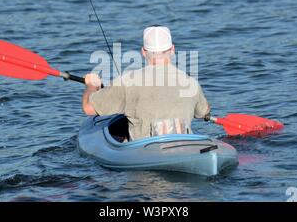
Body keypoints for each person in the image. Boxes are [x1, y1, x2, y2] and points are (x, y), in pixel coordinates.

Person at [82, 25, 210, 141]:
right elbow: (203, 112)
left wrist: (92, 85)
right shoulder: (191, 83)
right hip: (185, 147)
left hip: (143, 150)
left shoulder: (126, 82)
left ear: (143, 52)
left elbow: (88, 108)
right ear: (172, 49)